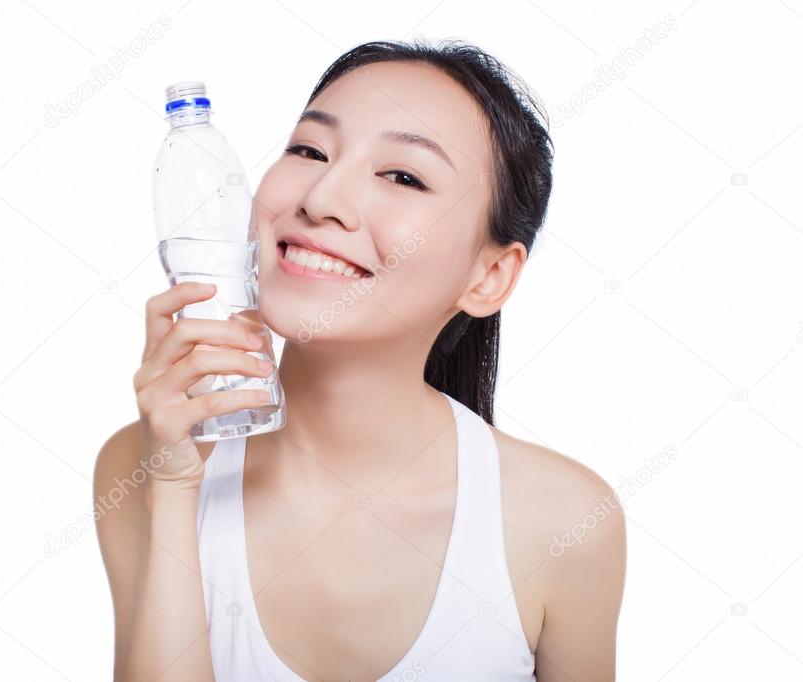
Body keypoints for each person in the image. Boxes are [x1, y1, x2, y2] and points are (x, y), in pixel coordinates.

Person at [95, 38, 626, 681]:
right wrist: (175, 488)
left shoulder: (565, 520)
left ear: (488, 277)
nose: (321, 198)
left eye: (403, 176)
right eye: (310, 151)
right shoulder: (143, 466)